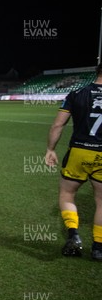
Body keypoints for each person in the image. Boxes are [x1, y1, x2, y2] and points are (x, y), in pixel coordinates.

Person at [45, 62, 102, 261]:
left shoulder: (77, 93)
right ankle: (98, 247)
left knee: (67, 194)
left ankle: (74, 236)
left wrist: (50, 149)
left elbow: (58, 125)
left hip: (79, 151)